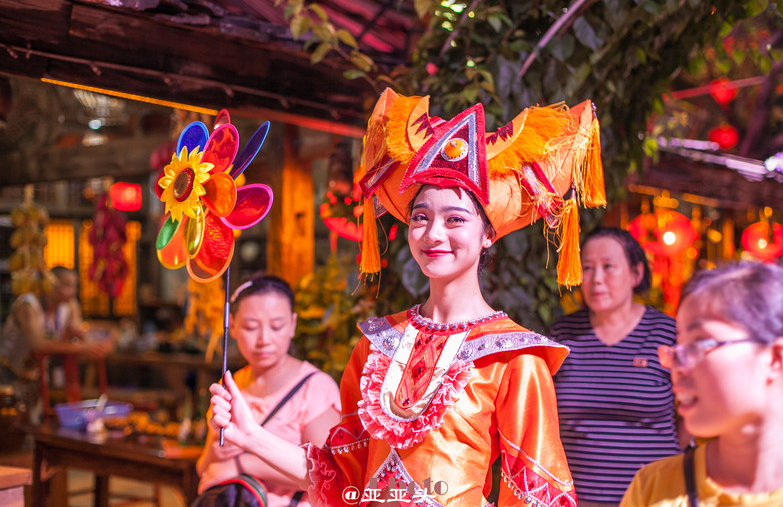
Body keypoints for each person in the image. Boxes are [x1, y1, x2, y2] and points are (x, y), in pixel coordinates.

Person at [208, 88, 607, 506]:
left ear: (488, 234)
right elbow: (339, 478)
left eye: (455, 219)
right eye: (421, 217)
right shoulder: (377, 345)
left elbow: (537, 497)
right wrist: (249, 435)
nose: (433, 234)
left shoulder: (514, 359)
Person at [620, 261, 783, 507]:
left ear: (775, 358)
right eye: (678, 347)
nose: (675, 367)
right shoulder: (654, 488)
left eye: (698, 344)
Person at [550, 227, 680, 506]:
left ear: (636, 273)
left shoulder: (668, 333)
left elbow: (696, 406)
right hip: (579, 498)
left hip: (659, 496)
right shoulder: (563, 335)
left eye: (608, 267)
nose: (596, 279)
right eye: (587, 268)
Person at [195, 275, 341, 507]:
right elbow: (207, 469)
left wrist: (242, 464)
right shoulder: (231, 386)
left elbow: (331, 474)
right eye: (251, 327)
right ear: (231, 326)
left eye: (276, 326)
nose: (264, 339)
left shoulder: (315, 388)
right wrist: (215, 447)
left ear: (292, 325)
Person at [1, 266, 109, 384]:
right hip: (8, 371)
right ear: (51, 284)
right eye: (67, 285)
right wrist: (83, 347)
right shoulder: (28, 305)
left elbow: (77, 331)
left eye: (75, 286)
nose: (73, 291)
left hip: (37, 373)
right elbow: (39, 345)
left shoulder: (69, 304)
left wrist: (98, 341)